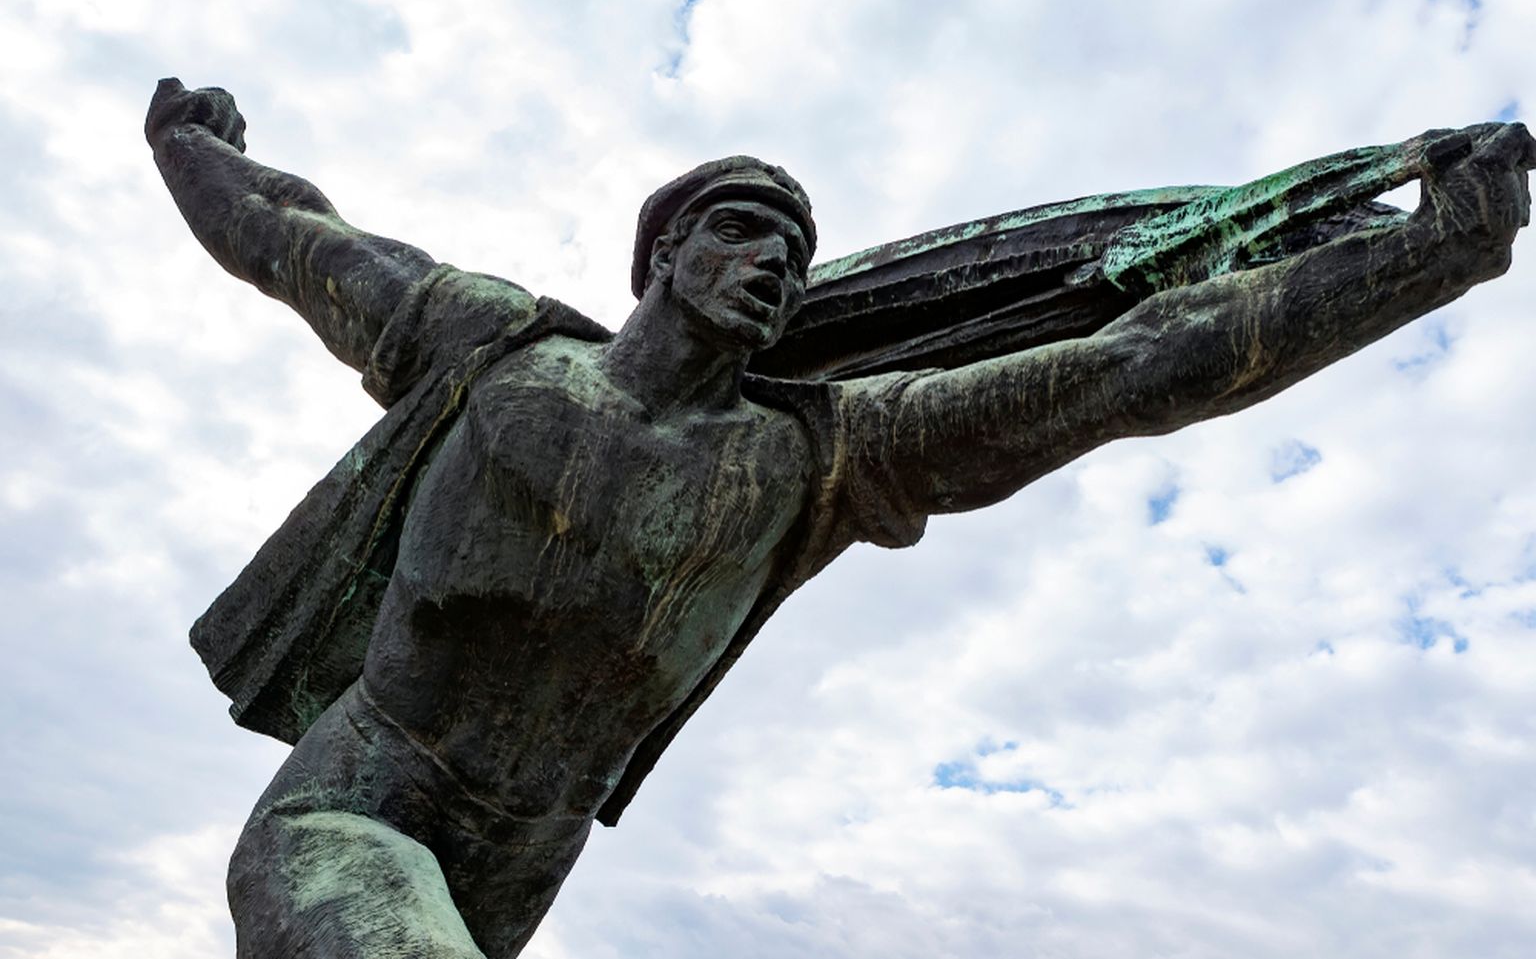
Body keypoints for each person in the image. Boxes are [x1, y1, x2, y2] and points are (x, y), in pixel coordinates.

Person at [146, 77, 1533, 958]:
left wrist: (1434, 252)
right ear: (664, 253)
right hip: (358, 800)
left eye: (794, 253)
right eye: (742, 230)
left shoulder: (817, 456)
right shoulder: (496, 349)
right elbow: (293, 239)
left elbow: (1138, 365)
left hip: (523, 864)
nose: (773, 262)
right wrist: (189, 146)